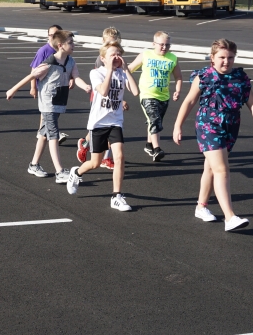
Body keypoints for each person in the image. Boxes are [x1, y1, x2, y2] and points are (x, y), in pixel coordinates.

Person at [172, 39, 253, 232]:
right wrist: (177, 126)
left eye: (230, 57)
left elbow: (251, 101)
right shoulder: (204, 76)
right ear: (212, 58)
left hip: (231, 126)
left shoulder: (240, 77)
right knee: (222, 170)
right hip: (208, 125)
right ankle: (230, 217)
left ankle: (201, 206)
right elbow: (189, 101)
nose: (226, 61)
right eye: (222, 57)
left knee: (211, 168)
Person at [6, 30, 90, 184]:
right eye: (70, 43)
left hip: (59, 101)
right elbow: (32, 75)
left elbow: (76, 77)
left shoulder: (71, 61)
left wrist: (85, 86)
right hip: (48, 103)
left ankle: (34, 164)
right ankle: (59, 171)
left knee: (44, 133)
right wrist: (13, 89)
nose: (73, 45)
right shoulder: (49, 63)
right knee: (53, 134)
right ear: (61, 46)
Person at [66, 42, 139, 210]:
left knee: (119, 157)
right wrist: (110, 71)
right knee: (95, 163)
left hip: (115, 122)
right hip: (98, 123)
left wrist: (126, 69)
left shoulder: (122, 73)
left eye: (119, 54)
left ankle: (116, 196)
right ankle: (76, 173)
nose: (117, 57)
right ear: (103, 58)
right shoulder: (95, 73)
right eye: (113, 54)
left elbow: (135, 92)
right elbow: (104, 91)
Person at [128, 31, 182, 162]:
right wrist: (129, 86)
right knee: (154, 119)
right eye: (161, 45)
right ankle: (157, 149)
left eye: (167, 45)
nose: (164, 47)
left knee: (154, 122)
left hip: (164, 96)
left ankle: (149, 145)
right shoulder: (145, 55)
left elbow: (178, 76)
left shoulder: (172, 58)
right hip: (147, 94)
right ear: (154, 44)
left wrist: (178, 90)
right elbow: (128, 70)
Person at [77, 27, 123, 167]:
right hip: (100, 97)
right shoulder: (101, 60)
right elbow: (104, 83)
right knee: (100, 127)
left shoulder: (117, 57)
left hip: (113, 99)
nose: (112, 45)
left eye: (115, 42)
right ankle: (88, 145)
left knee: (110, 129)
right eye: (108, 42)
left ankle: (103, 155)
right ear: (103, 42)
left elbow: (118, 81)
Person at [30, 25, 69, 145]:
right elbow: (33, 70)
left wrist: (70, 79)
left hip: (58, 88)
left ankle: (43, 133)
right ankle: (50, 133)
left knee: (51, 112)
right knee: (47, 111)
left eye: (56, 34)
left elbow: (67, 68)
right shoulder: (44, 51)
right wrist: (33, 87)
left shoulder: (62, 50)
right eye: (51, 35)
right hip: (45, 88)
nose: (53, 37)